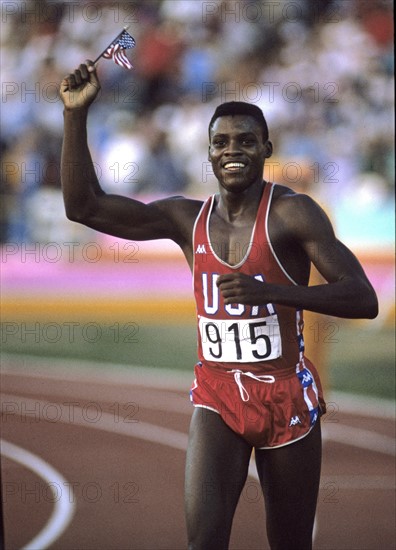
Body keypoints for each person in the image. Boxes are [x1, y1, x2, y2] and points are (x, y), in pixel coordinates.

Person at [60, 61, 378, 550]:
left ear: (266, 150)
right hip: (217, 392)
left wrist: (272, 292)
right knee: (204, 540)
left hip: (284, 392)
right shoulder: (187, 218)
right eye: (222, 142)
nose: (233, 151)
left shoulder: (293, 213)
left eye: (246, 141)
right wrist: (75, 116)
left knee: (291, 543)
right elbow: (84, 207)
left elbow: (363, 298)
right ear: (209, 152)